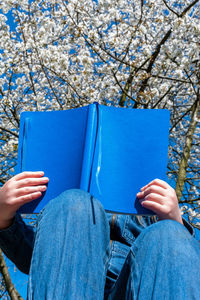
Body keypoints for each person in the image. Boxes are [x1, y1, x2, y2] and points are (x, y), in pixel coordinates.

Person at [0, 171, 199, 299]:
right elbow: (35, 257)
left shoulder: (150, 217)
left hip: (139, 286)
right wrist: (2, 214)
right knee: (72, 204)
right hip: (67, 284)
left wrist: (175, 220)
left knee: (169, 235)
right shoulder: (66, 217)